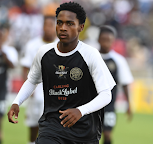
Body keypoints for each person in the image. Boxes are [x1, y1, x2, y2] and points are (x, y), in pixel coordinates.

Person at [7, 2, 116, 144]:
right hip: (51, 127)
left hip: (84, 131)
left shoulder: (90, 54)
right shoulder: (44, 53)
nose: (63, 28)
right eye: (59, 23)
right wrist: (17, 102)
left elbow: (106, 95)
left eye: (70, 24)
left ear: (80, 27)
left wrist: (80, 111)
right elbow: (32, 81)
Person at [20, 15, 57, 144]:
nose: (48, 28)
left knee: (52, 127)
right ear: (42, 27)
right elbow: (25, 67)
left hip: (55, 92)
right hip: (36, 90)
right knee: (33, 125)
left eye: (51, 25)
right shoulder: (32, 45)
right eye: (46, 25)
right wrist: (28, 90)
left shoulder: (62, 45)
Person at [98, 25, 133, 144]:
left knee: (107, 135)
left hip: (109, 106)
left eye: (109, 40)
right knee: (90, 134)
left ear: (113, 41)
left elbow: (125, 83)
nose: (106, 42)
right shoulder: (92, 57)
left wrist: (129, 104)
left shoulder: (119, 60)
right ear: (98, 39)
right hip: (91, 103)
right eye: (103, 39)